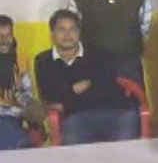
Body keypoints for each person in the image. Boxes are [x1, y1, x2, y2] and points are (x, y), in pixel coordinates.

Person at [35, 10, 140, 145]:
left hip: (114, 111)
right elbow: (50, 95)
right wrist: (78, 88)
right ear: (52, 34)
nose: (67, 35)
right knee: (75, 148)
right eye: (61, 29)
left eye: (72, 29)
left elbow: (107, 89)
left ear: (79, 32)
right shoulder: (43, 61)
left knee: (126, 144)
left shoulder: (99, 54)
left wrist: (67, 98)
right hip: (76, 118)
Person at [68, 0, 151, 86]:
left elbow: (145, 28)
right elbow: (72, 32)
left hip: (130, 65)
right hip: (94, 65)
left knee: (133, 98)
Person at [0, 15, 43, 150]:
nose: (4, 41)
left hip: (12, 116)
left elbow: (27, 94)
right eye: (0, 36)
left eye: (8, 36)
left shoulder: (20, 59)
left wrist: (17, 101)